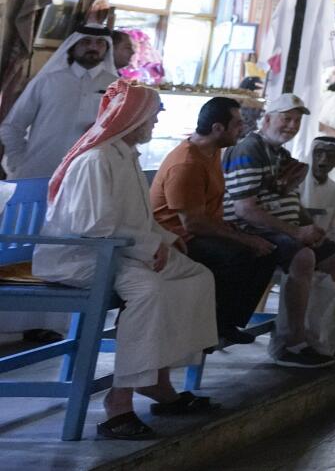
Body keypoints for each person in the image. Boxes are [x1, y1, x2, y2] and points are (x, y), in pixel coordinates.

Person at [37, 81, 218, 440]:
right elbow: (92, 227)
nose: (154, 124)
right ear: (133, 118)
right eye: (151, 117)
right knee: (150, 291)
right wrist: (149, 246)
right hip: (84, 257)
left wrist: (167, 239)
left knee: (197, 277)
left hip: (121, 251)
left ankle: (157, 381)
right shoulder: (95, 159)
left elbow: (139, 219)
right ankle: (119, 403)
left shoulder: (125, 155)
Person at [223, 93, 335, 366]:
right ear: (268, 118)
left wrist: (309, 225)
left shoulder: (281, 155)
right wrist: (297, 233)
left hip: (282, 230)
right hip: (250, 231)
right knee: (303, 256)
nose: (291, 126)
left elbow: (290, 200)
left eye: (297, 121)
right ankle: (290, 343)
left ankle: (316, 337)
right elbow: (245, 210)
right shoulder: (250, 149)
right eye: (287, 118)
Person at [148, 95, 278, 344]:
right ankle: (205, 328)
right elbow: (193, 224)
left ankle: (225, 323)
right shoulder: (187, 163)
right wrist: (244, 239)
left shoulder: (211, 151)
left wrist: (246, 237)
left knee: (268, 251)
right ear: (218, 128)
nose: (244, 129)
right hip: (177, 239)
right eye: (238, 124)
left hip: (200, 231)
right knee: (240, 255)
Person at [0, 9, 117, 178]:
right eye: (86, 42)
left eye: (100, 42)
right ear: (73, 46)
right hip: (40, 172)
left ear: (107, 48)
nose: (93, 47)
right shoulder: (47, 81)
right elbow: (12, 126)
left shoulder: (116, 86)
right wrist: (18, 161)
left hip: (90, 176)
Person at [299, 136, 335, 261]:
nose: (323, 159)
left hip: (321, 244)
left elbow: (334, 229)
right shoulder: (296, 182)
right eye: (318, 153)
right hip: (294, 240)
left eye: (330, 155)